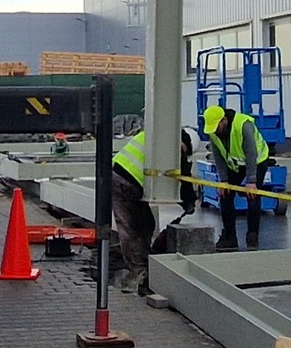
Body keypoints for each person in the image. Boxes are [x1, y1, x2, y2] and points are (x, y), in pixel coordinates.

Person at [105, 122, 191, 283]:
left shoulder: (158, 136)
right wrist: (188, 201)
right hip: (124, 183)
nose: (183, 155)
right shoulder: (169, 143)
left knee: (146, 224)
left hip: (126, 182)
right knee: (131, 228)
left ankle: (144, 262)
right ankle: (139, 272)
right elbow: (183, 173)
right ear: (183, 143)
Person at [201, 102, 274, 249]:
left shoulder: (243, 125)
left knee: (252, 196)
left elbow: (251, 152)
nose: (214, 131)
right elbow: (218, 156)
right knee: (225, 195)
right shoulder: (214, 133)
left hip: (257, 161)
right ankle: (229, 237)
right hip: (235, 164)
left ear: (224, 120)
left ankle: (252, 236)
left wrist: (251, 181)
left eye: (217, 127)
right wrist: (224, 180)